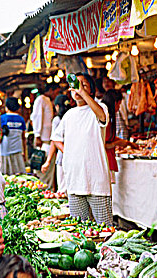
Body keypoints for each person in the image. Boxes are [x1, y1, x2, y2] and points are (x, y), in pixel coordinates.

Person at [51, 72, 113, 225]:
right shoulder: (69, 115)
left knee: (104, 228)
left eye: (83, 85)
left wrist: (83, 93)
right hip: (74, 180)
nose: (78, 89)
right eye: (76, 86)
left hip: (97, 181)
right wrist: (70, 153)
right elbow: (56, 138)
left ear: (91, 91)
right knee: (79, 229)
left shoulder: (100, 108)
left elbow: (102, 117)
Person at [101, 89, 138, 182]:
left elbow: (109, 138)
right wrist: (117, 143)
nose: (119, 107)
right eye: (119, 104)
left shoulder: (109, 117)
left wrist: (127, 143)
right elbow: (101, 144)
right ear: (115, 103)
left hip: (109, 159)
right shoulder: (104, 118)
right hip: (103, 161)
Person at [30, 83, 60, 188]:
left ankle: (48, 189)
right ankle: (44, 190)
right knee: (42, 167)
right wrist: (37, 135)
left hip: (46, 140)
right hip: (43, 140)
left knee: (48, 169)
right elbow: (37, 117)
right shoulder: (41, 99)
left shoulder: (47, 100)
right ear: (51, 90)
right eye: (56, 91)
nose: (57, 94)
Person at [41, 94, 72, 193]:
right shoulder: (72, 117)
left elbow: (54, 141)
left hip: (62, 158)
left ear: (57, 106)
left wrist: (48, 161)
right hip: (75, 157)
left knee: (62, 191)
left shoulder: (57, 120)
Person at [0, 97, 27, 175]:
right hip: (18, 149)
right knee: (19, 175)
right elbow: (23, 138)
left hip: (5, 150)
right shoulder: (21, 119)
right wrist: (24, 152)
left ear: (6, 107)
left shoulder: (2, 118)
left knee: (5, 175)